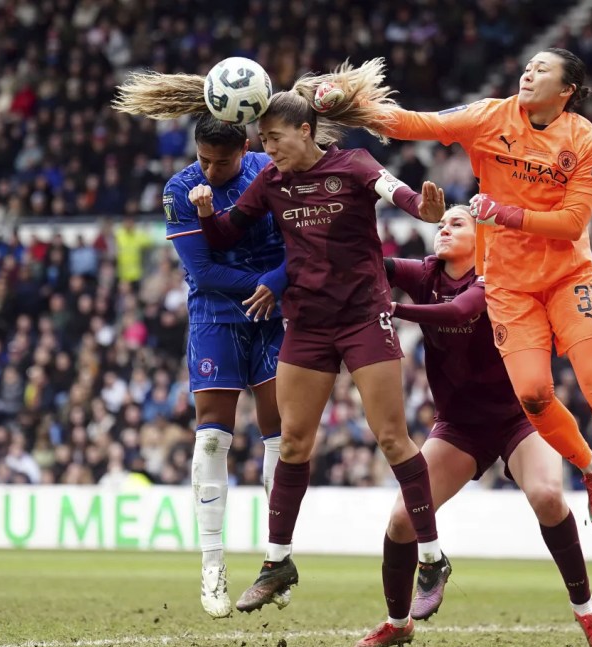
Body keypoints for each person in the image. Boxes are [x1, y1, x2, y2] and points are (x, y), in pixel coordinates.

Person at [121, 69, 450, 614]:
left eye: (273, 139)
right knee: (293, 443)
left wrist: (426, 209)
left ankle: (433, 556)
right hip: (309, 323)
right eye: (262, 141)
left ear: (305, 130)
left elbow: (400, 194)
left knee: (393, 439)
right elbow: (226, 235)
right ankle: (277, 563)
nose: (265, 149)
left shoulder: (355, 165)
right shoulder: (270, 180)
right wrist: (207, 215)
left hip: (365, 315)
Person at [309, 53, 592, 543]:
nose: (529, 72)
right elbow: (415, 124)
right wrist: (350, 106)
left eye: (543, 70)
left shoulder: (585, 141)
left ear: (568, 90)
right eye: (528, 66)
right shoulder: (490, 116)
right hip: (509, 286)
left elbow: (572, 224)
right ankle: (589, 465)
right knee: (535, 397)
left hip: (568, 277)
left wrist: (504, 213)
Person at [354, 205, 592, 647]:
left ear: (483, 236)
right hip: (459, 426)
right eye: (440, 224)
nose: (443, 229)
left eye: (456, 223)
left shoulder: (498, 275)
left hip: (521, 418)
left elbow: (459, 311)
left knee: (548, 498)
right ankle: (398, 624)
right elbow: (373, 261)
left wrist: (390, 307)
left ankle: (588, 614)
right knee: (400, 521)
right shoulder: (427, 273)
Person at [109, 102, 289, 617]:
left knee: (281, 435)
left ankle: (277, 557)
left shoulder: (270, 172)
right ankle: (212, 565)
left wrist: (275, 285)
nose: (210, 171)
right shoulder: (177, 190)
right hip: (216, 316)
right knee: (211, 436)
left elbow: (299, 243)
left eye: (222, 163)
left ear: (245, 150)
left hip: (274, 315)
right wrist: (265, 284)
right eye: (204, 159)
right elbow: (203, 273)